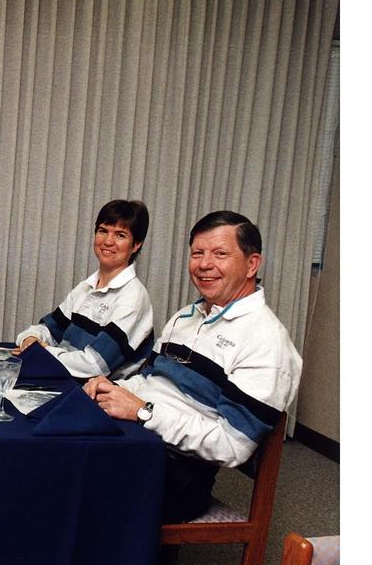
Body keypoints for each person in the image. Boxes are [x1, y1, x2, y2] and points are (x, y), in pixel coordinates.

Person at [85, 210, 302, 524]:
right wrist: (112, 389)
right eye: (197, 253)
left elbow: (232, 446)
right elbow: (148, 380)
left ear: (252, 264)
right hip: (137, 438)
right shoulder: (187, 316)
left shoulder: (267, 341)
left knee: (66, 478)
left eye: (220, 254)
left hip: (178, 474)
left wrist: (144, 412)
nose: (204, 264)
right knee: (45, 448)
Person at [14, 199, 155, 380]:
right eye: (103, 231)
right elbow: (49, 329)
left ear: (136, 244)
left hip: (95, 397)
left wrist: (44, 352)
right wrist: (30, 339)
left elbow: (94, 365)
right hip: (60, 378)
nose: (108, 241)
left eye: (120, 235)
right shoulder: (86, 287)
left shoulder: (133, 298)